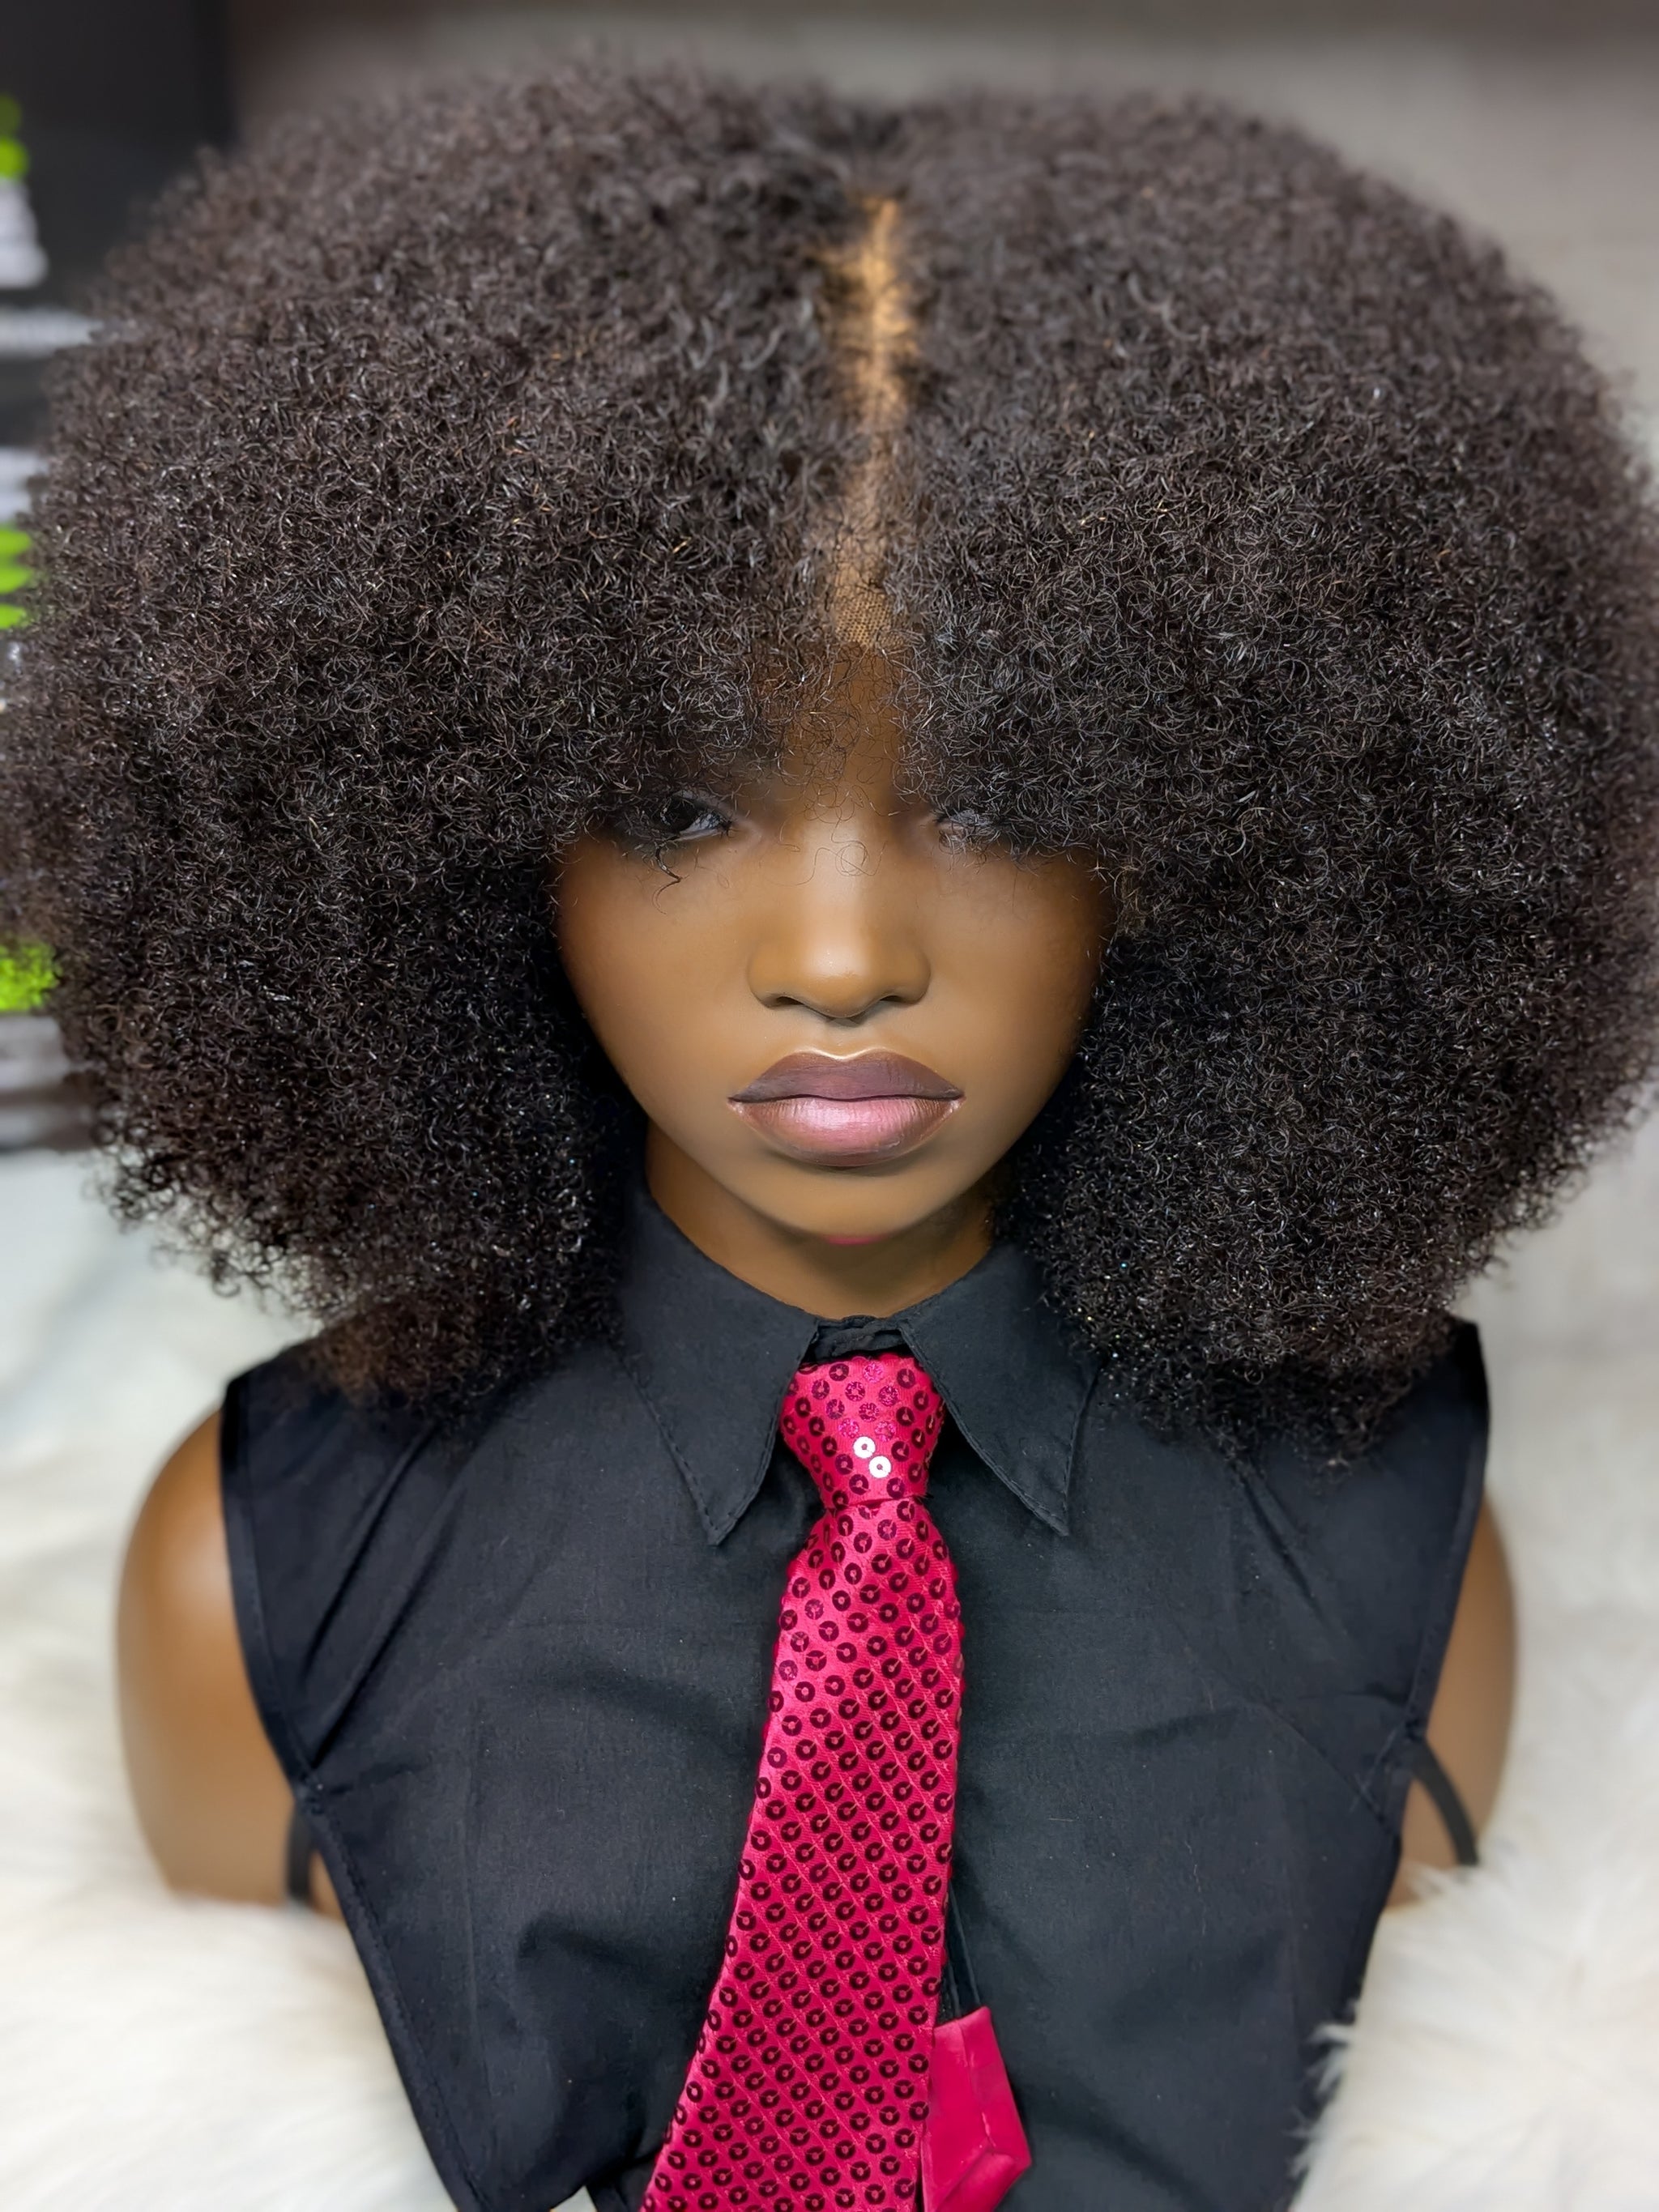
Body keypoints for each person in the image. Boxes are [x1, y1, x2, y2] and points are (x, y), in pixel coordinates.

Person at [3, 66, 1654, 2212]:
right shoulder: (264, 1576)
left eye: (996, 799)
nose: (846, 955)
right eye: (683, 805)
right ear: (464, 830)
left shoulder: (1388, 1541)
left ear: (1211, 818)